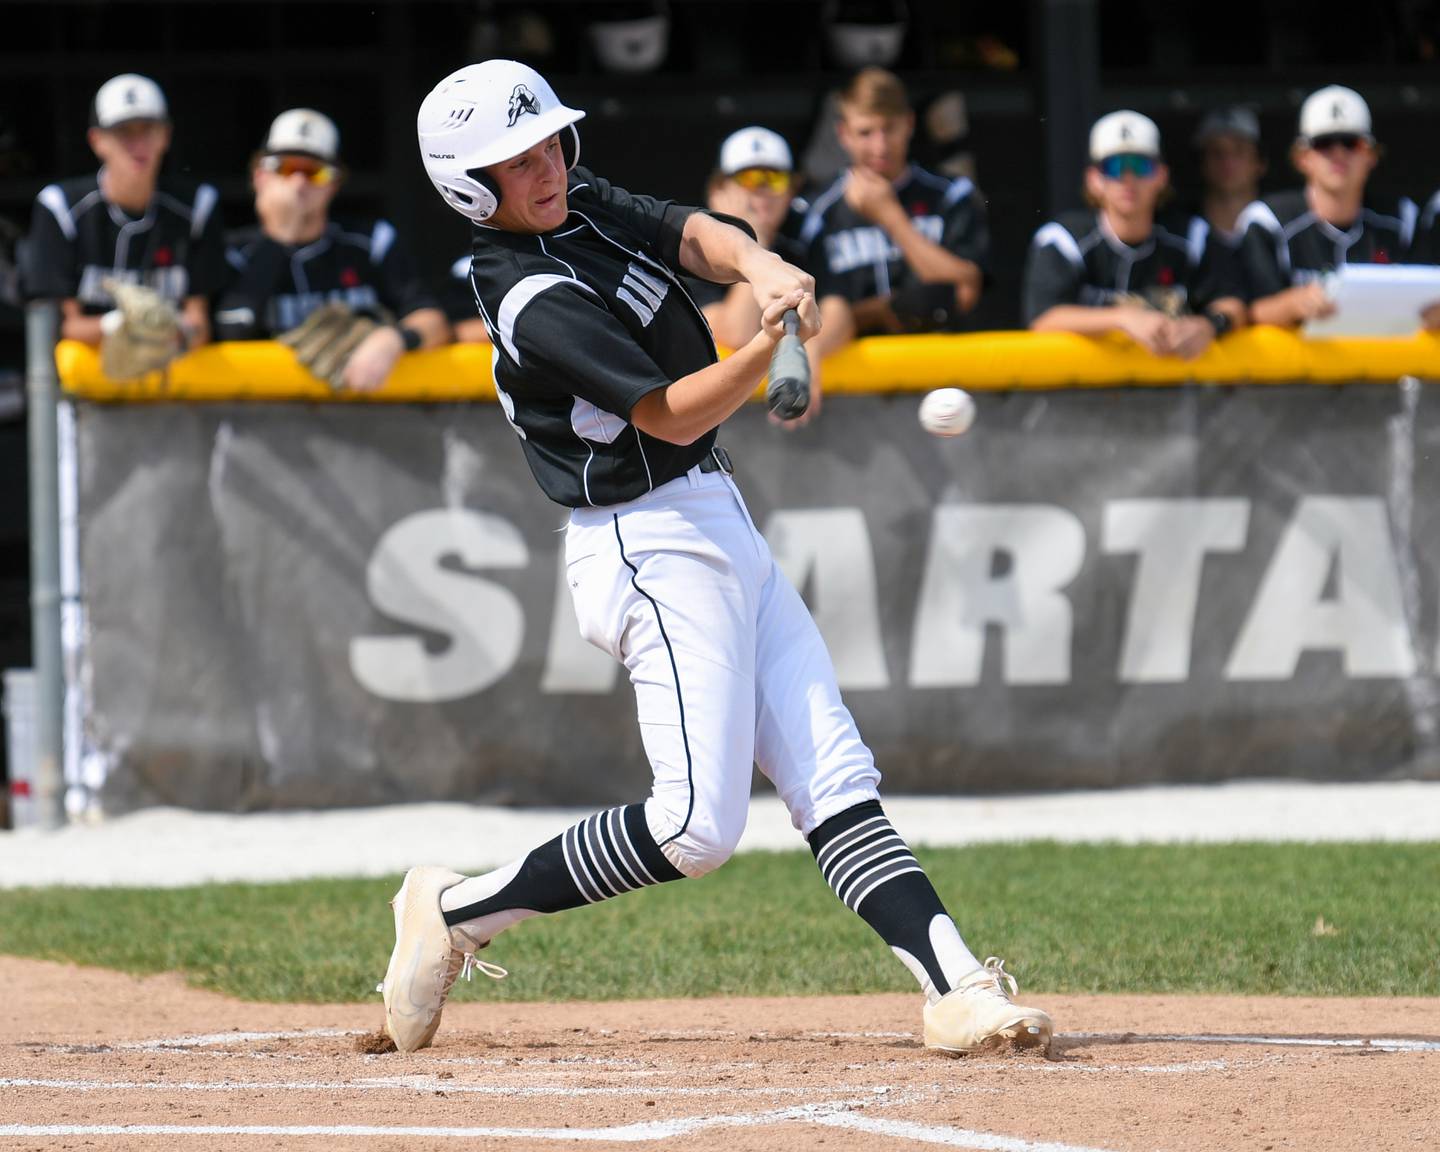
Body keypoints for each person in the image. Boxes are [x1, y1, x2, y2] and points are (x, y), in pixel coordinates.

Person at [383, 57, 1053, 1058]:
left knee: (835, 775)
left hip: (715, 514)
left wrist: (761, 269)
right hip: (643, 542)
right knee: (697, 829)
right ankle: (460, 910)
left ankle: (958, 986)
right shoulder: (523, 290)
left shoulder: (576, 206)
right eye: (512, 162)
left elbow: (688, 229)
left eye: (545, 144)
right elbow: (667, 409)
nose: (543, 167)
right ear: (469, 187)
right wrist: (771, 348)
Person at [214, 108, 448, 390]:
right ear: (260, 176)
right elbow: (231, 329)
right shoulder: (232, 253)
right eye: (286, 168)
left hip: (362, 413)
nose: (299, 182)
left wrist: (393, 340)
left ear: (334, 183)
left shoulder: (371, 242)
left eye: (315, 172)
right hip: (259, 418)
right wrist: (279, 235)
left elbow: (434, 322)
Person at [24, 73, 225, 351]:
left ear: (166, 135)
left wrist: (173, 329)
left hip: (170, 377)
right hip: (84, 385)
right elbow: (61, 325)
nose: (137, 143)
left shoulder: (197, 206)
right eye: (124, 131)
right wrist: (119, 325)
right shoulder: (61, 207)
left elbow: (199, 324)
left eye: (147, 128)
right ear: (97, 141)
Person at [1023, 110, 1246, 358]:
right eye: (1115, 167)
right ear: (1094, 180)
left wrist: (1208, 325)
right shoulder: (1063, 239)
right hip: (1082, 392)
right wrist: (1123, 318)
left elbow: (1234, 303)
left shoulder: (1192, 235)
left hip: (1175, 389)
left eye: (1140, 166)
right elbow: (1043, 318)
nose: (1128, 179)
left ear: (1161, 176)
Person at [798, 67, 989, 337]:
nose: (880, 146)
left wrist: (892, 218)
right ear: (843, 134)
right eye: (866, 132)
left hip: (937, 360)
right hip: (844, 368)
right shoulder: (813, 210)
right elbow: (804, 312)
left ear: (909, 124)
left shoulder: (951, 194)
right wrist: (879, 311)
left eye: (889, 129)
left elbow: (965, 291)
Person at [686, 126, 853, 424]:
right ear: (718, 191)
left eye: (773, 179)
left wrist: (807, 348)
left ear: (790, 190)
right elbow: (734, 332)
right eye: (749, 179)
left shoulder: (804, 232)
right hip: (720, 421)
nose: (762, 192)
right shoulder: (694, 243)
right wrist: (755, 242)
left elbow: (840, 313)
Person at [1237, 85, 1417, 328]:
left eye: (1351, 143)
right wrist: (1292, 304)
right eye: (1323, 143)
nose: (1338, 153)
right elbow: (1248, 310)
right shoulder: (1267, 219)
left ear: (1371, 155)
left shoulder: (1403, 217)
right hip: (1297, 366)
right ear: (1302, 157)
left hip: (1384, 364)